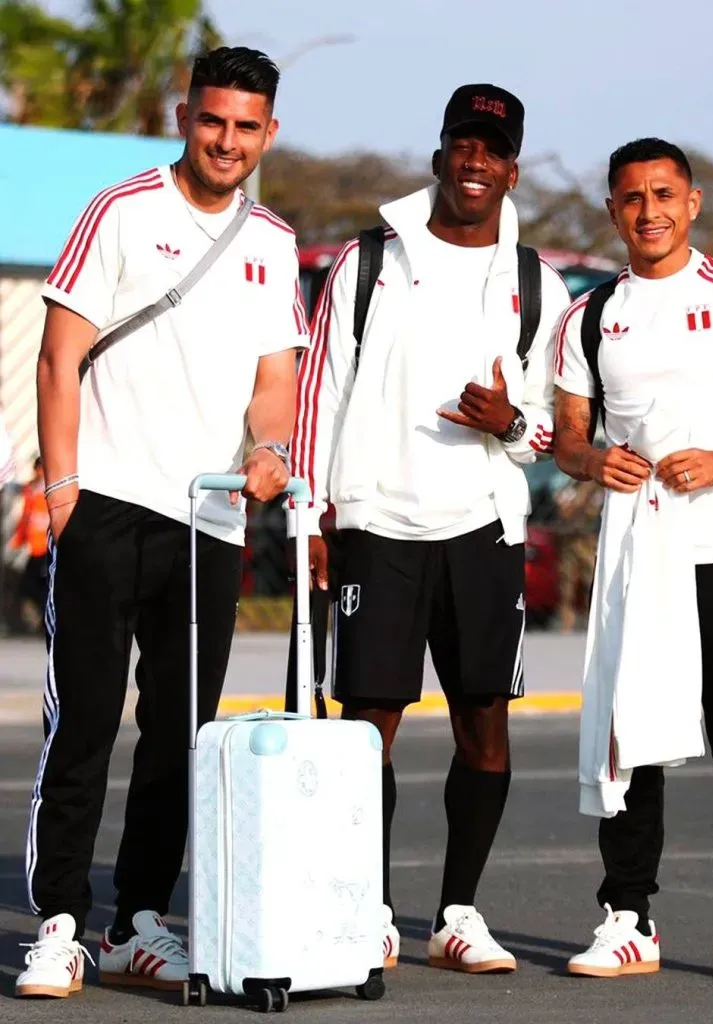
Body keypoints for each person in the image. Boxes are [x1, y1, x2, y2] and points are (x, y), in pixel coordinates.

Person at [16, 46, 307, 999]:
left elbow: (275, 384)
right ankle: (60, 924)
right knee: (86, 722)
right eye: (212, 120)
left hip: (209, 522)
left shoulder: (271, 241)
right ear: (186, 116)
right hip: (104, 505)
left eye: (246, 126)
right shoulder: (123, 209)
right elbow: (61, 358)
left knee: (181, 729)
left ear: (269, 132)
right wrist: (63, 493)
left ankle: (139, 923)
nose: (227, 141)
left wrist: (269, 450)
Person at [289, 84, 570, 974]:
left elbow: (551, 431)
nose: (476, 161)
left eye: (493, 148)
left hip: (482, 528)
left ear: (510, 166)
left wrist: (507, 423)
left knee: (484, 724)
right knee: (366, 727)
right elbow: (318, 392)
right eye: (463, 143)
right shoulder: (369, 262)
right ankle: (366, 909)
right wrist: (314, 515)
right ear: (440, 154)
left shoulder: (538, 282)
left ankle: (456, 913)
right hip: (376, 520)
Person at [553, 138, 713, 982]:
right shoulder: (589, 315)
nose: (648, 211)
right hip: (637, 557)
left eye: (663, 194)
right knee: (630, 737)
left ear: (692, 202)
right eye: (630, 198)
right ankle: (627, 918)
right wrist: (594, 461)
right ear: (611, 210)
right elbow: (564, 434)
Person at [552, 477, 603, 633]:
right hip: (569, 539)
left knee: (591, 581)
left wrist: (577, 503)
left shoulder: (596, 488)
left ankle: (593, 621)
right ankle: (566, 621)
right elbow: (561, 505)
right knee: (566, 583)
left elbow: (592, 511)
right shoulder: (572, 485)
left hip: (587, 540)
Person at [11, 457, 50, 631]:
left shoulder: (49, 490)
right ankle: (45, 619)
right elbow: (26, 517)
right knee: (31, 585)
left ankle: (47, 619)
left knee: (37, 584)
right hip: (35, 546)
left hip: (46, 545)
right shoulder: (31, 489)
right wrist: (19, 539)